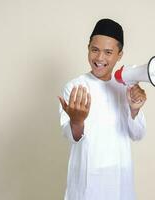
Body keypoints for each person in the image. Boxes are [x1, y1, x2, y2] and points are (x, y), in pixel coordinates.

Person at [58, 18, 147, 200]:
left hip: (120, 184)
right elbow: (69, 135)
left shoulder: (125, 86)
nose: (99, 58)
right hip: (86, 184)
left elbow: (138, 134)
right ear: (88, 48)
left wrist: (134, 110)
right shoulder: (75, 87)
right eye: (95, 50)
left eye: (108, 52)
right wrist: (77, 122)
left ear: (119, 55)